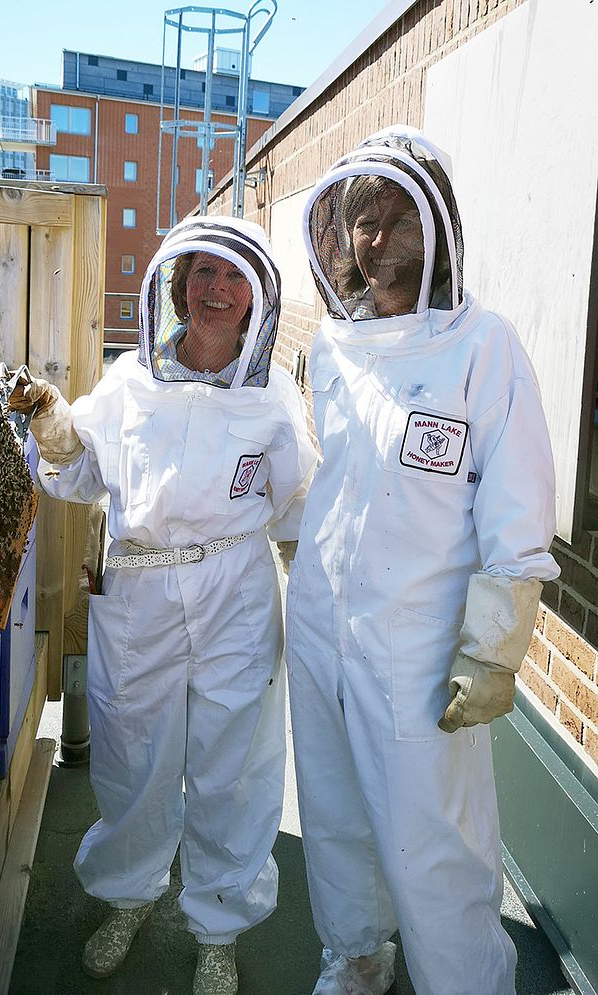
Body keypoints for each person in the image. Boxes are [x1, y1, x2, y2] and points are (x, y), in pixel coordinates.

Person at [9, 215, 316, 995]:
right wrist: (56, 435)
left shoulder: (275, 395)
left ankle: (220, 924)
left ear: (256, 296)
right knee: (132, 755)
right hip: (138, 592)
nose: (217, 290)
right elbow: (75, 478)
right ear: (175, 286)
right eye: (203, 274)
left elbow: (301, 505)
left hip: (236, 594)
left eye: (234, 277)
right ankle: (128, 894)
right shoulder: (128, 381)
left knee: (234, 766)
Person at [286, 125, 559, 995]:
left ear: (439, 226)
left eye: (401, 218)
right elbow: (337, 484)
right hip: (325, 631)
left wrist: (493, 649)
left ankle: (468, 982)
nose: (377, 240)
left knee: (433, 841)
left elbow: (519, 512)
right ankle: (358, 958)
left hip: (419, 651)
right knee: (332, 817)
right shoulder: (333, 346)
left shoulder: (486, 348)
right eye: (364, 221)